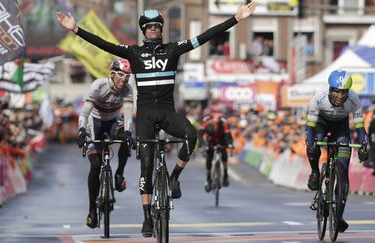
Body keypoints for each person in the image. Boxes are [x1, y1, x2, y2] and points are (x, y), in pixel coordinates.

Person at [57, 2, 256, 237]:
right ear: (143, 30)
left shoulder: (173, 49)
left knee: (192, 135)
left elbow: (205, 37)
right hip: (145, 116)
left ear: (161, 29)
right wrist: (76, 29)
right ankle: (146, 218)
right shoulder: (133, 53)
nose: (154, 29)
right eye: (149, 26)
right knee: (146, 166)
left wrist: (236, 19)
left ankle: (173, 178)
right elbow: (103, 44)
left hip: (168, 111)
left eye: (157, 26)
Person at [305, 69, 368, 233]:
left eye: (344, 92)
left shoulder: (354, 99)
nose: (340, 96)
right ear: (330, 89)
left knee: (343, 168)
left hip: (341, 128)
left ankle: (339, 215)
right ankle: (314, 172)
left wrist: (363, 145)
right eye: (337, 92)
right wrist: (311, 143)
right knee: (312, 146)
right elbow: (310, 127)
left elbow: (361, 129)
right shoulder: (318, 98)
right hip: (321, 124)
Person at [77, 58, 134, 229]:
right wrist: (81, 130)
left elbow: (129, 115)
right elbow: (85, 112)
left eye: (127, 77)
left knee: (125, 137)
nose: (123, 80)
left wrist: (129, 133)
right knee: (95, 165)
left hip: (113, 122)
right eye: (121, 76)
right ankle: (92, 210)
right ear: (112, 74)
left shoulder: (128, 89)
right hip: (94, 122)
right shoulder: (98, 85)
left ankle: (119, 174)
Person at [198, 112, 234, 192]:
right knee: (209, 158)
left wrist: (230, 144)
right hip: (210, 139)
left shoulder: (224, 123)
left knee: (224, 154)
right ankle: (208, 178)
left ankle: (225, 175)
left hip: (222, 138)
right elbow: (200, 134)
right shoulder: (206, 122)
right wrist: (201, 145)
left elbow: (228, 135)